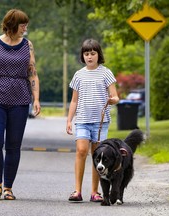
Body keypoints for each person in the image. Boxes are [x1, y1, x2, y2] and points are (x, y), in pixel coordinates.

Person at [0, 9, 40, 200]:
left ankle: (8, 188)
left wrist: (36, 98)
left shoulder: (27, 45)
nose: (25, 28)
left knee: (14, 146)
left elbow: (32, 73)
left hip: (20, 101)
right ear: (13, 24)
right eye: (23, 25)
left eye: (26, 25)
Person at [66, 38, 119, 202]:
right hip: (82, 120)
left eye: (93, 53)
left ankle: (95, 192)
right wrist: (69, 120)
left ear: (98, 55)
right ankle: (77, 191)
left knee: (99, 157)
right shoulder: (78, 75)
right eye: (86, 54)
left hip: (100, 122)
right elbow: (74, 100)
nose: (89, 57)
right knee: (81, 151)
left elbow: (115, 96)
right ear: (83, 56)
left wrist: (113, 100)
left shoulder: (106, 73)